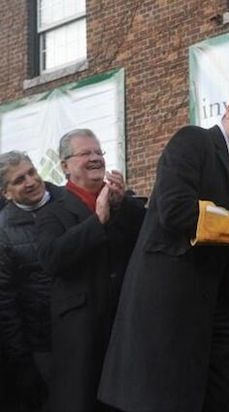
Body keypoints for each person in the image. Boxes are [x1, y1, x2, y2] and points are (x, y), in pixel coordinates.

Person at [98, 85, 229, 412]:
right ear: (228, 110)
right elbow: (176, 209)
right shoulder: (193, 140)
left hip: (219, 299)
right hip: (173, 298)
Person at [35, 129, 146, 412]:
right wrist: (96, 221)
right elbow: (52, 258)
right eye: (86, 153)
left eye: (99, 152)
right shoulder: (52, 212)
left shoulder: (123, 204)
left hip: (123, 326)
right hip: (81, 335)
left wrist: (123, 206)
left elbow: (144, 241)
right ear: (65, 166)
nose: (95, 158)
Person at [0, 151, 63, 411]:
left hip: (83, 328)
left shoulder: (66, 201)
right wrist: (21, 358)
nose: (31, 182)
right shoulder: (4, 231)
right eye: (19, 180)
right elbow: (5, 299)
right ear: (6, 193)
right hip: (43, 341)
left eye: (32, 172)